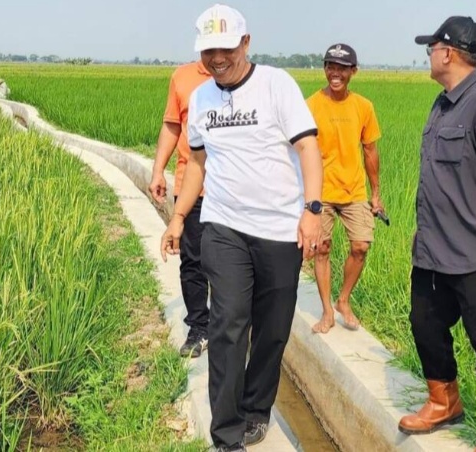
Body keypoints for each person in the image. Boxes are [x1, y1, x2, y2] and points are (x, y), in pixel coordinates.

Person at [160, 4, 323, 451]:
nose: (217, 59)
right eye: (208, 50)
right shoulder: (201, 99)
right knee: (228, 325)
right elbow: (197, 163)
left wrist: (312, 209)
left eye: (226, 48)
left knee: (272, 330)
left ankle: (256, 409)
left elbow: (308, 148)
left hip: (279, 230)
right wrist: (178, 217)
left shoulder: (275, 85)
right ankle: (226, 434)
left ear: (246, 43)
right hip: (224, 226)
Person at [397, 16, 476, 452]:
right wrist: (423, 229)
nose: (428, 55)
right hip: (434, 248)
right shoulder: (443, 103)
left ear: (448, 53)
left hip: (474, 252)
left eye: (431, 48)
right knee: (424, 323)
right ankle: (443, 400)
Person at [306, 43, 383, 334]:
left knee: (361, 245)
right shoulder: (311, 105)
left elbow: (370, 151)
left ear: (353, 71)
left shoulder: (363, 107)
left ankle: (343, 300)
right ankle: (327, 311)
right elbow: (302, 150)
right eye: (330, 67)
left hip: (354, 191)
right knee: (322, 249)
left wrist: (376, 194)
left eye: (341, 68)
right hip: (321, 191)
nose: (334, 73)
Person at [149, 60, 211, 358]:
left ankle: (232, 325)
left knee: (233, 261)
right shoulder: (183, 77)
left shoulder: (245, 80)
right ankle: (199, 326)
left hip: (233, 192)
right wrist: (158, 170)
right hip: (191, 187)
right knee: (192, 260)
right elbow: (173, 125)